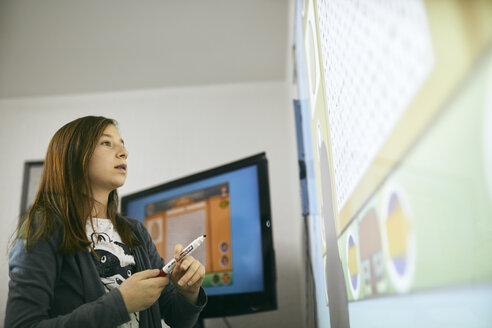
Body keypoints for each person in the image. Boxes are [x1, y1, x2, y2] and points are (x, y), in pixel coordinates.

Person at [5, 116, 207, 328]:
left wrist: (188, 291)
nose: (124, 153)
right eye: (106, 143)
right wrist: (121, 304)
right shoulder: (43, 227)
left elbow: (178, 318)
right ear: (73, 156)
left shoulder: (135, 231)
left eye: (123, 145)